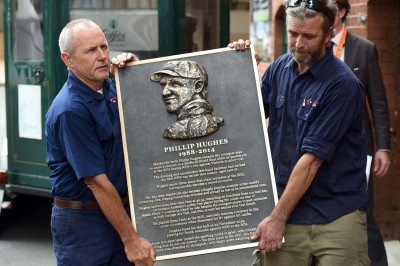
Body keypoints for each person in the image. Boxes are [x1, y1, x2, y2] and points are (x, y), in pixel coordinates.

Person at [230, 0, 369, 265]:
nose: (298, 43)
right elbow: (245, 122)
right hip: (284, 209)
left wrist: (277, 218)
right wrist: (236, 70)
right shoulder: (279, 68)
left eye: (309, 36)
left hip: (335, 214)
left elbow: (312, 160)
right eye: (293, 34)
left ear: (328, 35)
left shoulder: (342, 85)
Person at [45, 18, 156, 266]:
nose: (102, 56)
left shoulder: (110, 89)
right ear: (68, 60)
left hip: (119, 214)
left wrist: (135, 77)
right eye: (91, 50)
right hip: (84, 225)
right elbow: (96, 182)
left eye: (104, 47)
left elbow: (150, 124)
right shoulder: (70, 109)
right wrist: (131, 240)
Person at [332, 1, 391, 264]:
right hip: (322, 144)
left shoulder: (365, 49)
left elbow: (378, 101)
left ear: (342, 11)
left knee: (363, 210)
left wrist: (383, 147)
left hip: (358, 147)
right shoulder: (312, 46)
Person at [150, 60, 224, 139]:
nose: (164, 93)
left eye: (175, 84)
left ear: (197, 86)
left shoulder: (176, 131)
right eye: (163, 86)